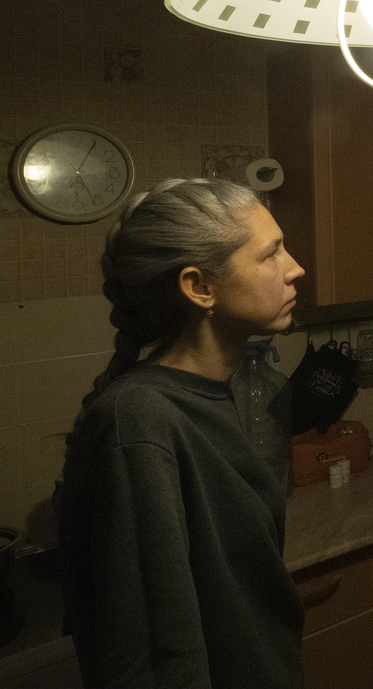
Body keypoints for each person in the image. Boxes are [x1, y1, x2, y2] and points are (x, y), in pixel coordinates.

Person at [56, 178, 307, 689]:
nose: (295, 268)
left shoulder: (208, 391)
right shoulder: (139, 423)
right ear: (199, 287)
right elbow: (151, 653)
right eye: (270, 254)